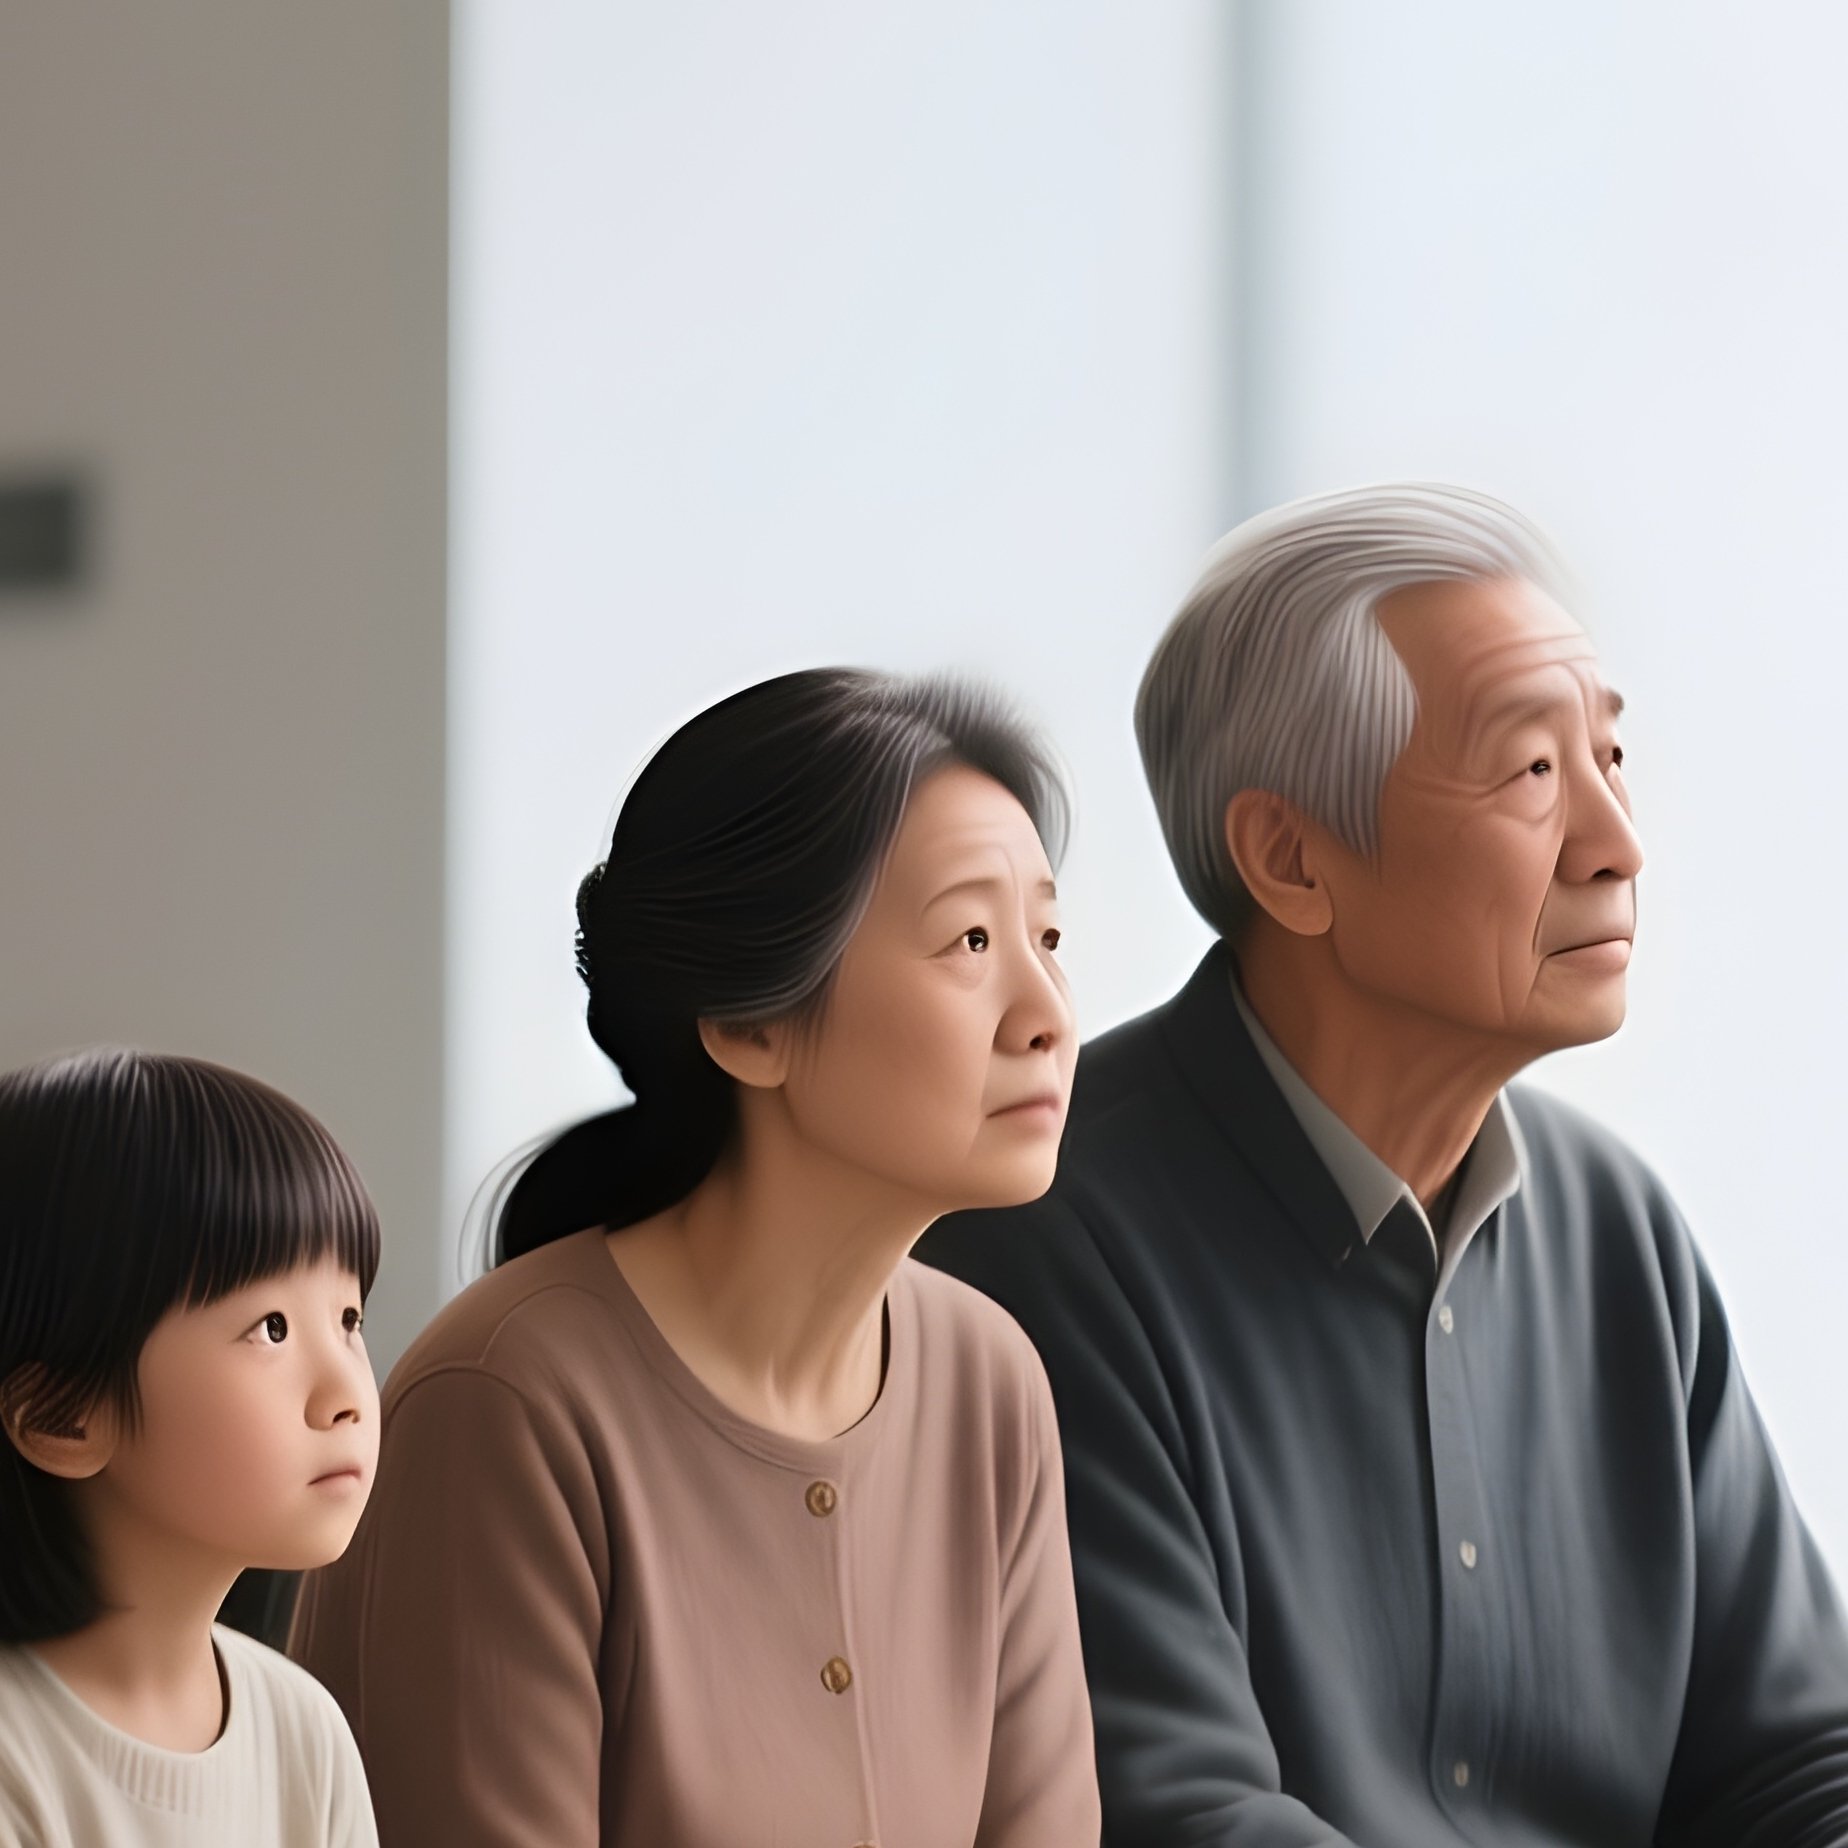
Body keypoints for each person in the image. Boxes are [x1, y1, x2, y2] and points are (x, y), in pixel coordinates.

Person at [917, 483, 1848, 1845]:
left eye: (1609, 758)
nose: (1617, 846)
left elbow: (1801, 1760)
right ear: (1291, 859)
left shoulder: (1620, 1238)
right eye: (1533, 773)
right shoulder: (1042, 1239)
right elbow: (1181, 1818)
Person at [291, 669, 1102, 1847]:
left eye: (1049, 935)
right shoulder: (506, 1409)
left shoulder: (992, 1384)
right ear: (751, 1025)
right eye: (970, 939)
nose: (1049, 1011)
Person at [0, 1047, 381, 1847]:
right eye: (270, 1328)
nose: (346, 1394)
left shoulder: (304, 1730)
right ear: (61, 1417)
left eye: (348, 1321)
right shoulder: (16, 1754)